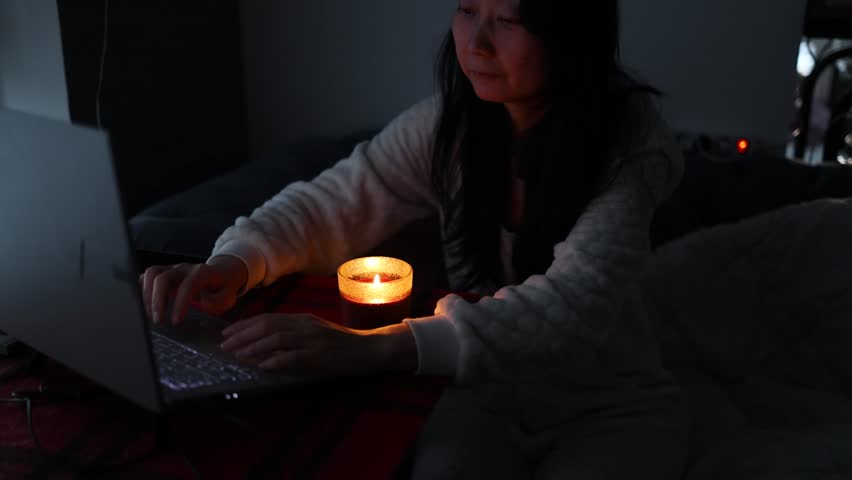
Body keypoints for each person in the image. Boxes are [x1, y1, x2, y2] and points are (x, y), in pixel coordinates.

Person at [141, 0, 688, 477]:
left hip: (607, 400)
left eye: (508, 19)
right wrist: (233, 263)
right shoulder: (450, 127)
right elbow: (334, 202)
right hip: (481, 390)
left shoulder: (631, 145)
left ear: (569, 35)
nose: (475, 42)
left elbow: (575, 305)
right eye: (467, 10)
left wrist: (376, 348)